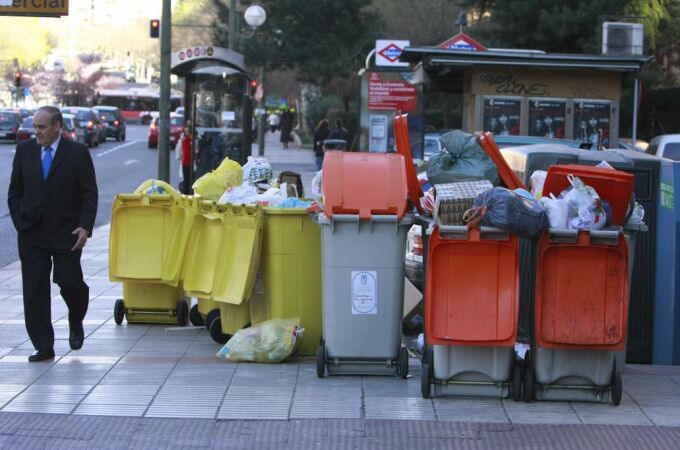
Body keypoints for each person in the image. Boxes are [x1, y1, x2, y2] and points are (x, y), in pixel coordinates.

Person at [7, 106, 98, 362]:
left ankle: (76, 319)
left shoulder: (77, 153)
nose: (36, 131)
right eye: (35, 126)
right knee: (34, 290)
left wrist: (85, 226)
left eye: (42, 126)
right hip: (32, 233)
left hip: (66, 232)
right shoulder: (25, 151)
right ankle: (44, 345)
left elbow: (89, 193)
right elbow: (15, 192)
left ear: (57, 126)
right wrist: (20, 223)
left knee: (69, 282)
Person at [178, 120, 194, 194]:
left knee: (189, 179)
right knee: (186, 180)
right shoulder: (185, 140)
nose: (188, 133)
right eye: (186, 131)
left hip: (189, 162)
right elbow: (186, 152)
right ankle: (185, 192)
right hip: (186, 162)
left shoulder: (191, 139)